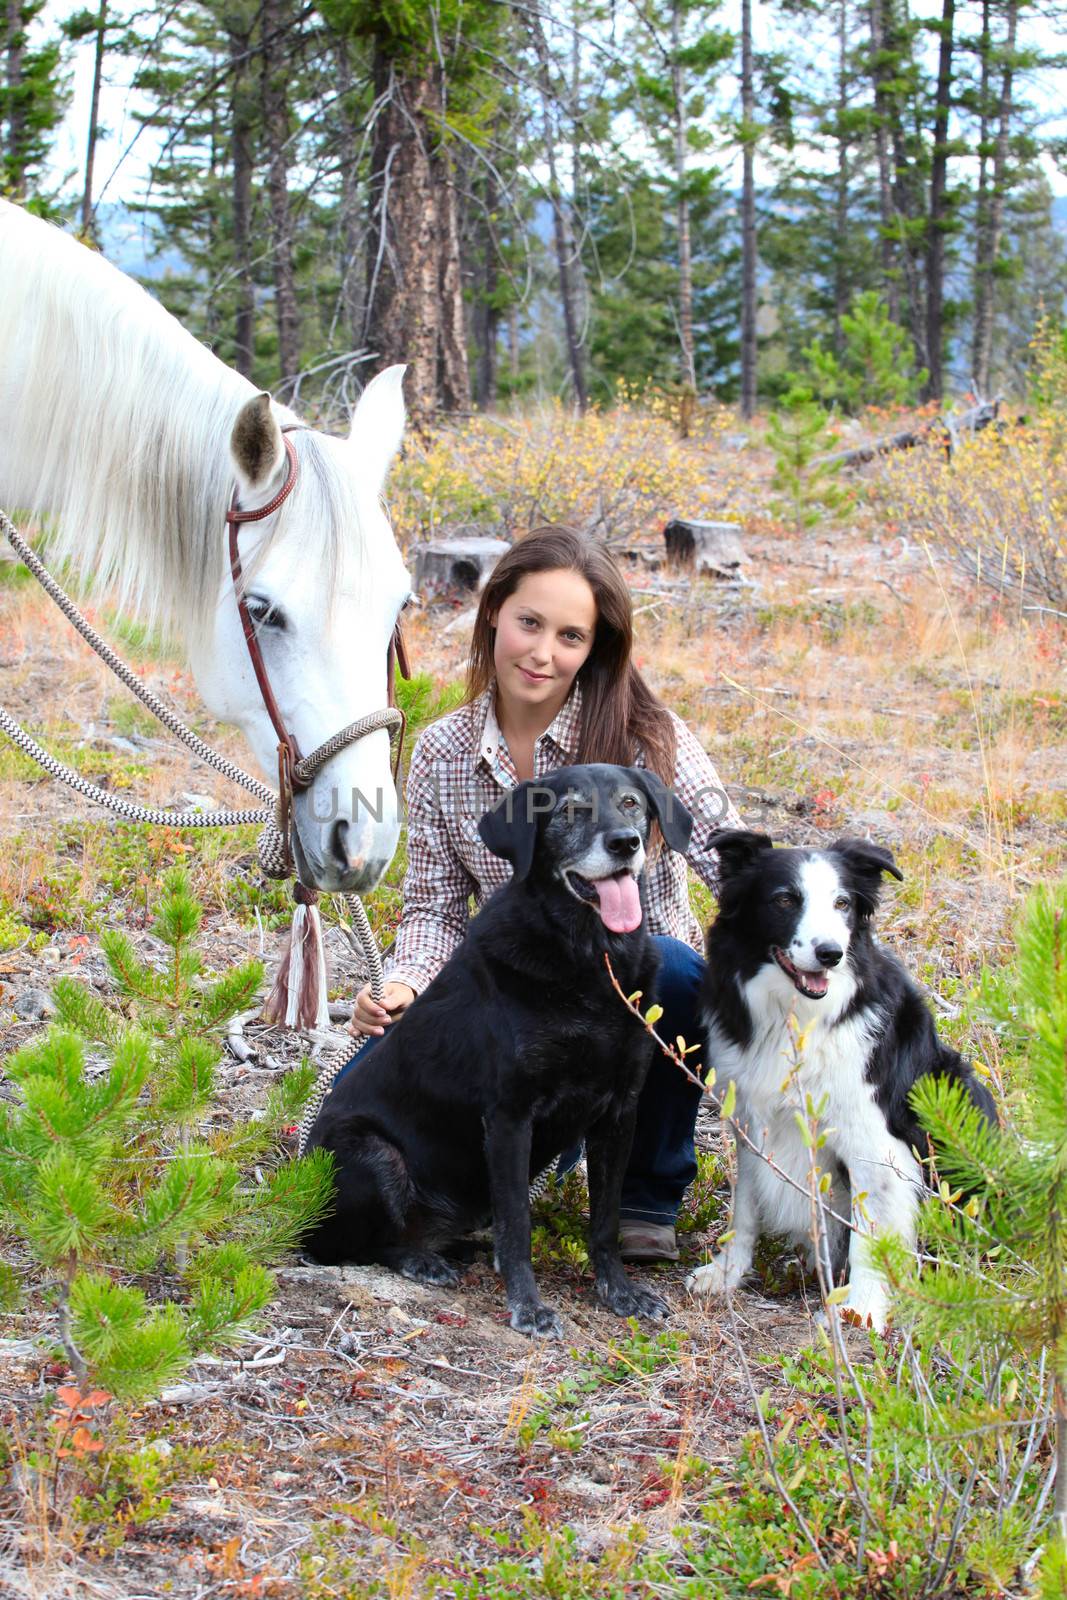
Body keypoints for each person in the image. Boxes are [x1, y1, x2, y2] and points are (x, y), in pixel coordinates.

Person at [346, 526, 742, 1261]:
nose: (542, 652)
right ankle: (471, 1203)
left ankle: (642, 1199)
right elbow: (434, 908)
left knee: (680, 972)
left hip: (632, 1004)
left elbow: (726, 857)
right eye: (529, 623)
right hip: (516, 1011)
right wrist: (402, 987)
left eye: (570, 636)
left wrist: (801, 944)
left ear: (594, 648)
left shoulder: (645, 736)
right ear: (493, 611)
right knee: (364, 1096)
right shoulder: (442, 752)